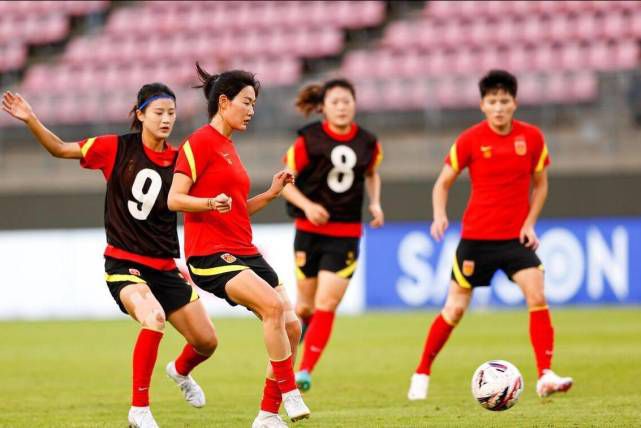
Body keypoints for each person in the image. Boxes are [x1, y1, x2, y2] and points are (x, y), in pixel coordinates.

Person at [2, 85, 218, 428]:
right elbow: (59, 149)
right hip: (125, 263)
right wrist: (31, 119)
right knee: (153, 317)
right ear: (141, 114)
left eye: (171, 113)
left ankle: (179, 371)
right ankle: (140, 410)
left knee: (207, 342)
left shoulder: (180, 162)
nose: (166, 119)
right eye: (158, 112)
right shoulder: (115, 148)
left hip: (164, 266)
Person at [406, 70, 573, 401]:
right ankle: (422, 371)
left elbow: (540, 184)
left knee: (537, 295)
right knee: (454, 309)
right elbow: (443, 183)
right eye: (492, 101)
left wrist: (530, 222)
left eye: (504, 101)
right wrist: (439, 214)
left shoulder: (533, 138)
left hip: (514, 239)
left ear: (515, 103)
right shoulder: (470, 139)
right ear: (482, 105)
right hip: (476, 240)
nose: (499, 107)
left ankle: (545, 375)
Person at [167, 64, 310, 428]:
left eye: (254, 104)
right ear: (224, 102)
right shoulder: (198, 143)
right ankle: (290, 392)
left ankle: (266, 415)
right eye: (246, 102)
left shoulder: (228, 147)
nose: (251, 110)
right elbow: (174, 199)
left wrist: (271, 193)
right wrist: (207, 203)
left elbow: (236, 210)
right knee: (273, 307)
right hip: (210, 254)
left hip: (243, 249)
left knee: (292, 327)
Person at [280, 78, 384, 393]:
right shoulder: (308, 140)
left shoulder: (368, 142)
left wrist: (376, 203)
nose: (341, 107)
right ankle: (286, 362)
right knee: (305, 307)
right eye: (335, 102)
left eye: (346, 101)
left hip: (346, 232)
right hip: (309, 232)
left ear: (355, 104)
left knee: (327, 302)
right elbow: (285, 183)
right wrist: (308, 206)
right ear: (323, 107)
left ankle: (304, 371)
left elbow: (371, 173)